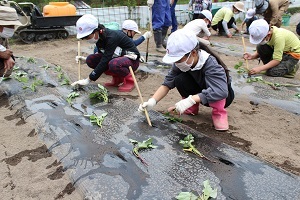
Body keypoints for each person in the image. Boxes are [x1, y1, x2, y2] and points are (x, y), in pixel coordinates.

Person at [138, 29, 234, 131]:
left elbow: (221, 91)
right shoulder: (180, 64)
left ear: (193, 53)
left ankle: (219, 113)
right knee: (180, 79)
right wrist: (152, 101)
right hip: (201, 92)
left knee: (216, 90)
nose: (177, 63)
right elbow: (167, 84)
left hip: (223, 96)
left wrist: (190, 100)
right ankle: (191, 108)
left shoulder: (211, 64)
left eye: (178, 60)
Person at [71, 14, 140, 92]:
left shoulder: (111, 37)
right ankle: (117, 79)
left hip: (131, 62)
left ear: (96, 31)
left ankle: (130, 81)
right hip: (117, 58)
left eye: (87, 37)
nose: (86, 39)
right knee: (91, 59)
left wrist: (88, 80)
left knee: (113, 64)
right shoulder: (100, 38)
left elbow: (105, 60)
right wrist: (85, 59)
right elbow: (102, 55)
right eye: (84, 38)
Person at [0, 6, 22, 78]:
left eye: (13, 25)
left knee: (7, 68)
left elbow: (6, 49)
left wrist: (7, 57)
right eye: (9, 25)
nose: (12, 28)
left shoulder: (3, 37)